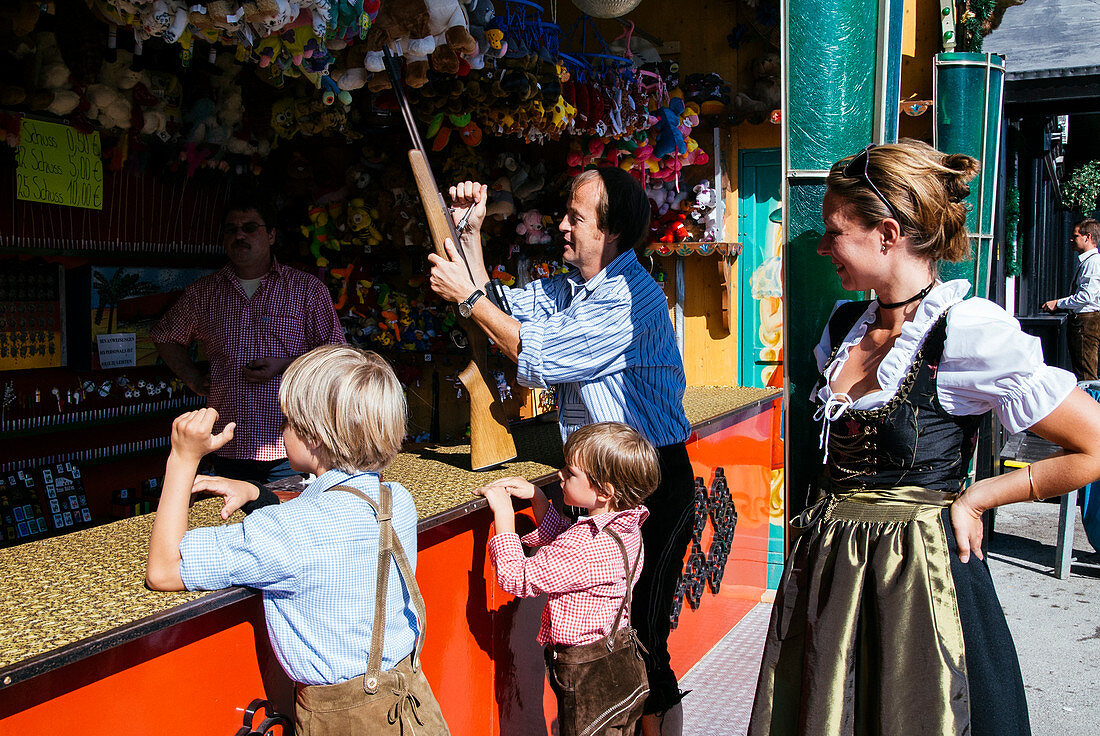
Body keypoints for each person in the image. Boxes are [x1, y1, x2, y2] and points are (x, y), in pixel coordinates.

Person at [748, 140, 1100, 736]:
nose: (822, 246)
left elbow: (1092, 446)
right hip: (832, 572)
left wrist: (980, 497)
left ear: (886, 233)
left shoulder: (966, 333)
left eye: (835, 231)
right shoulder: (841, 326)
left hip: (920, 577)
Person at [429, 168, 694, 735]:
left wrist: (471, 298)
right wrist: (470, 235)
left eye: (577, 217)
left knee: (641, 641)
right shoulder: (568, 288)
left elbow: (537, 356)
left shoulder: (629, 298)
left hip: (651, 484)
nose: (563, 226)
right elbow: (500, 311)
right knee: (590, 641)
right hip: (598, 486)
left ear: (612, 231)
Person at [145, 345, 449, 735]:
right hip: (410, 706)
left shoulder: (285, 531)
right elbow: (334, 510)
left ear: (317, 436)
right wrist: (257, 492)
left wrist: (183, 459)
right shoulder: (397, 500)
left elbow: (164, 569)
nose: (281, 429)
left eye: (287, 421)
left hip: (342, 719)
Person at [475, 422, 658, 736]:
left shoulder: (584, 547)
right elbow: (567, 542)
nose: (560, 474)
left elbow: (515, 576)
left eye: (571, 472)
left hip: (585, 673)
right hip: (619, 663)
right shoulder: (626, 527)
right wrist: (536, 497)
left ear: (604, 491)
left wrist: (503, 517)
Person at [151, 195, 346, 487]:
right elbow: (164, 336)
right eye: (231, 229)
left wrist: (283, 365)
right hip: (226, 445)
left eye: (250, 227)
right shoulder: (204, 293)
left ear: (270, 235)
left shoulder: (305, 289)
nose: (239, 235)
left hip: (295, 449)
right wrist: (192, 377)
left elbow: (338, 355)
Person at [1041, 219, 1100, 380]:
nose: (1071, 239)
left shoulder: (1093, 263)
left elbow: (1086, 296)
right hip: (1082, 322)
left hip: (1085, 322)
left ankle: (1091, 403)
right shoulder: (1087, 262)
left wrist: (1058, 303)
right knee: (1083, 370)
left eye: (1075, 236)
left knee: (1085, 375)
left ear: (1087, 237)